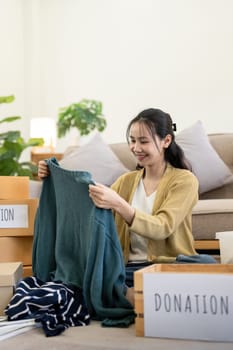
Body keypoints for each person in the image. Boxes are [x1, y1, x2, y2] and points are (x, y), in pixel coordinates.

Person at [38, 108, 213, 290]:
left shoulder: (185, 180)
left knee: (207, 264)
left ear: (166, 141)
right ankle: (134, 295)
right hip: (127, 269)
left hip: (167, 265)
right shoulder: (125, 182)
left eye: (143, 141)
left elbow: (163, 227)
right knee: (96, 278)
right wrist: (53, 176)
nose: (136, 148)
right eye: (133, 140)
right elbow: (87, 206)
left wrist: (119, 204)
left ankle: (130, 295)